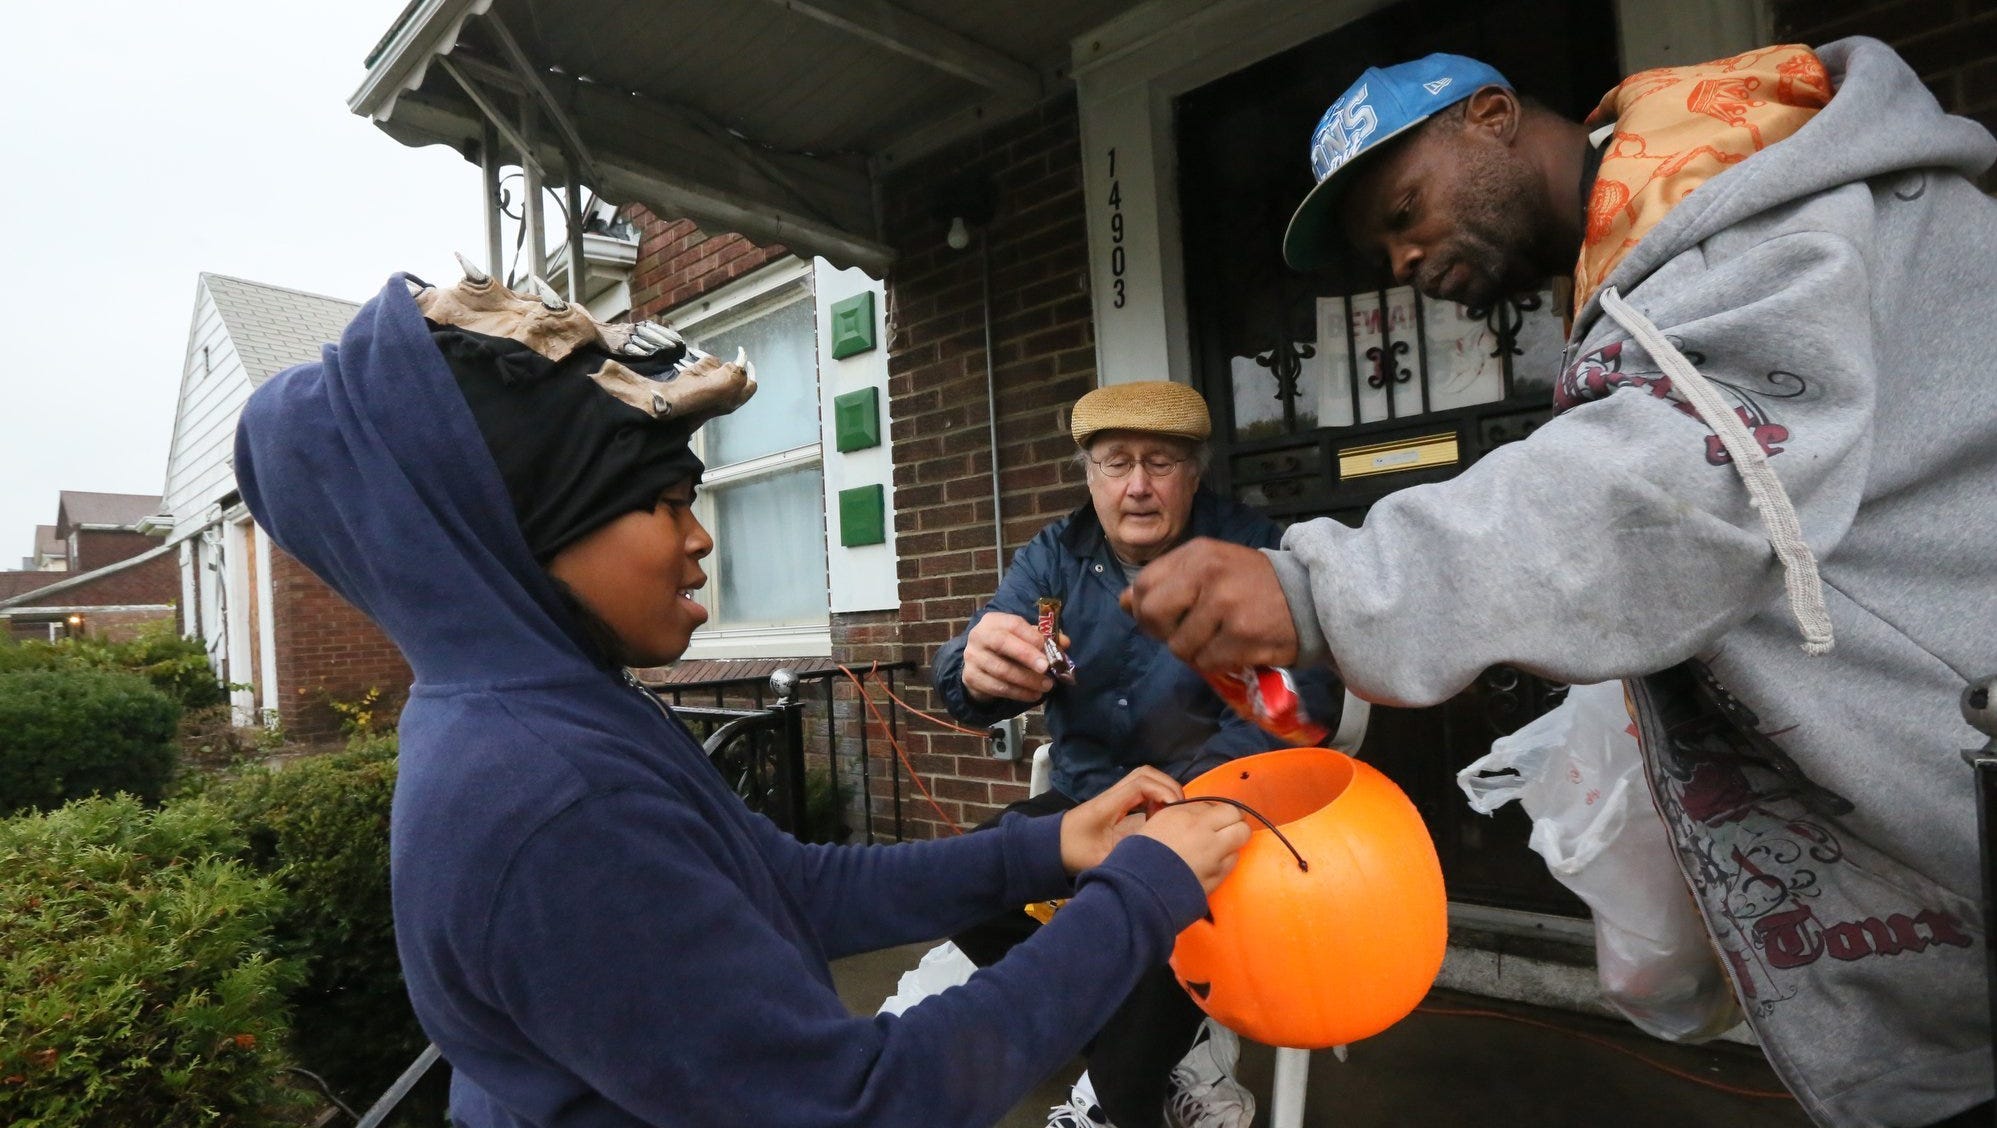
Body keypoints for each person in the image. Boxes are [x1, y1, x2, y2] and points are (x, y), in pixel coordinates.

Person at [1123, 40, 1996, 1127]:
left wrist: (1319, 587)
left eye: (1404, 210)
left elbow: (1670, 478)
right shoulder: (1673, 243)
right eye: (1382, 249)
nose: (1400, 260)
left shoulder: (1752, 209)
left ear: (1490, 117)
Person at [232, 270, 1251, 1128]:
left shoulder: (562, 707)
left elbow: (790, 888)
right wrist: (1139, 895)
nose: (700, 535)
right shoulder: (551, 800)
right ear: (531, 528)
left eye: (1158, 463)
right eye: (665, 502)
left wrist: (1053, 845)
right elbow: (860, 1104)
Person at [932, 380, 1342, 1128]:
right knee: (967, 879)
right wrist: (973, 667)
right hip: (1086, 797)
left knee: (1151, 896)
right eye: (1116, 463)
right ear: (1089, 475)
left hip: (1213, 801)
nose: (1138, 486)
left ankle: (1116, 1103)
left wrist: (1174, 803)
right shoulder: (1053, 558)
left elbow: (1297, 706)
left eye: (1160, 462)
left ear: (1194, 473)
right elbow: (979, 670)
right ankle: (1152, 1040)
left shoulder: (1251, 551)